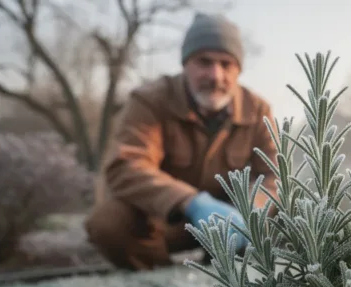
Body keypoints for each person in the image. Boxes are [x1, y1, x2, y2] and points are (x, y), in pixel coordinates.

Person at [84, 12, 279, 271]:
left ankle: (232, 261)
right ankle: (159, 269)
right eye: (204, 62)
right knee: (108, 222)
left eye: (226, 64)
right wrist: (192, 203)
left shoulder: (258, 109)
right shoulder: (149, 101)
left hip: (233, 224)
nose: (215, 75)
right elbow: (126, 165)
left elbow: (274, 174)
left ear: (238, 69)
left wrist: (249, 213)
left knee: (301, 207)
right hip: (166, 224)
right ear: (185, 64)